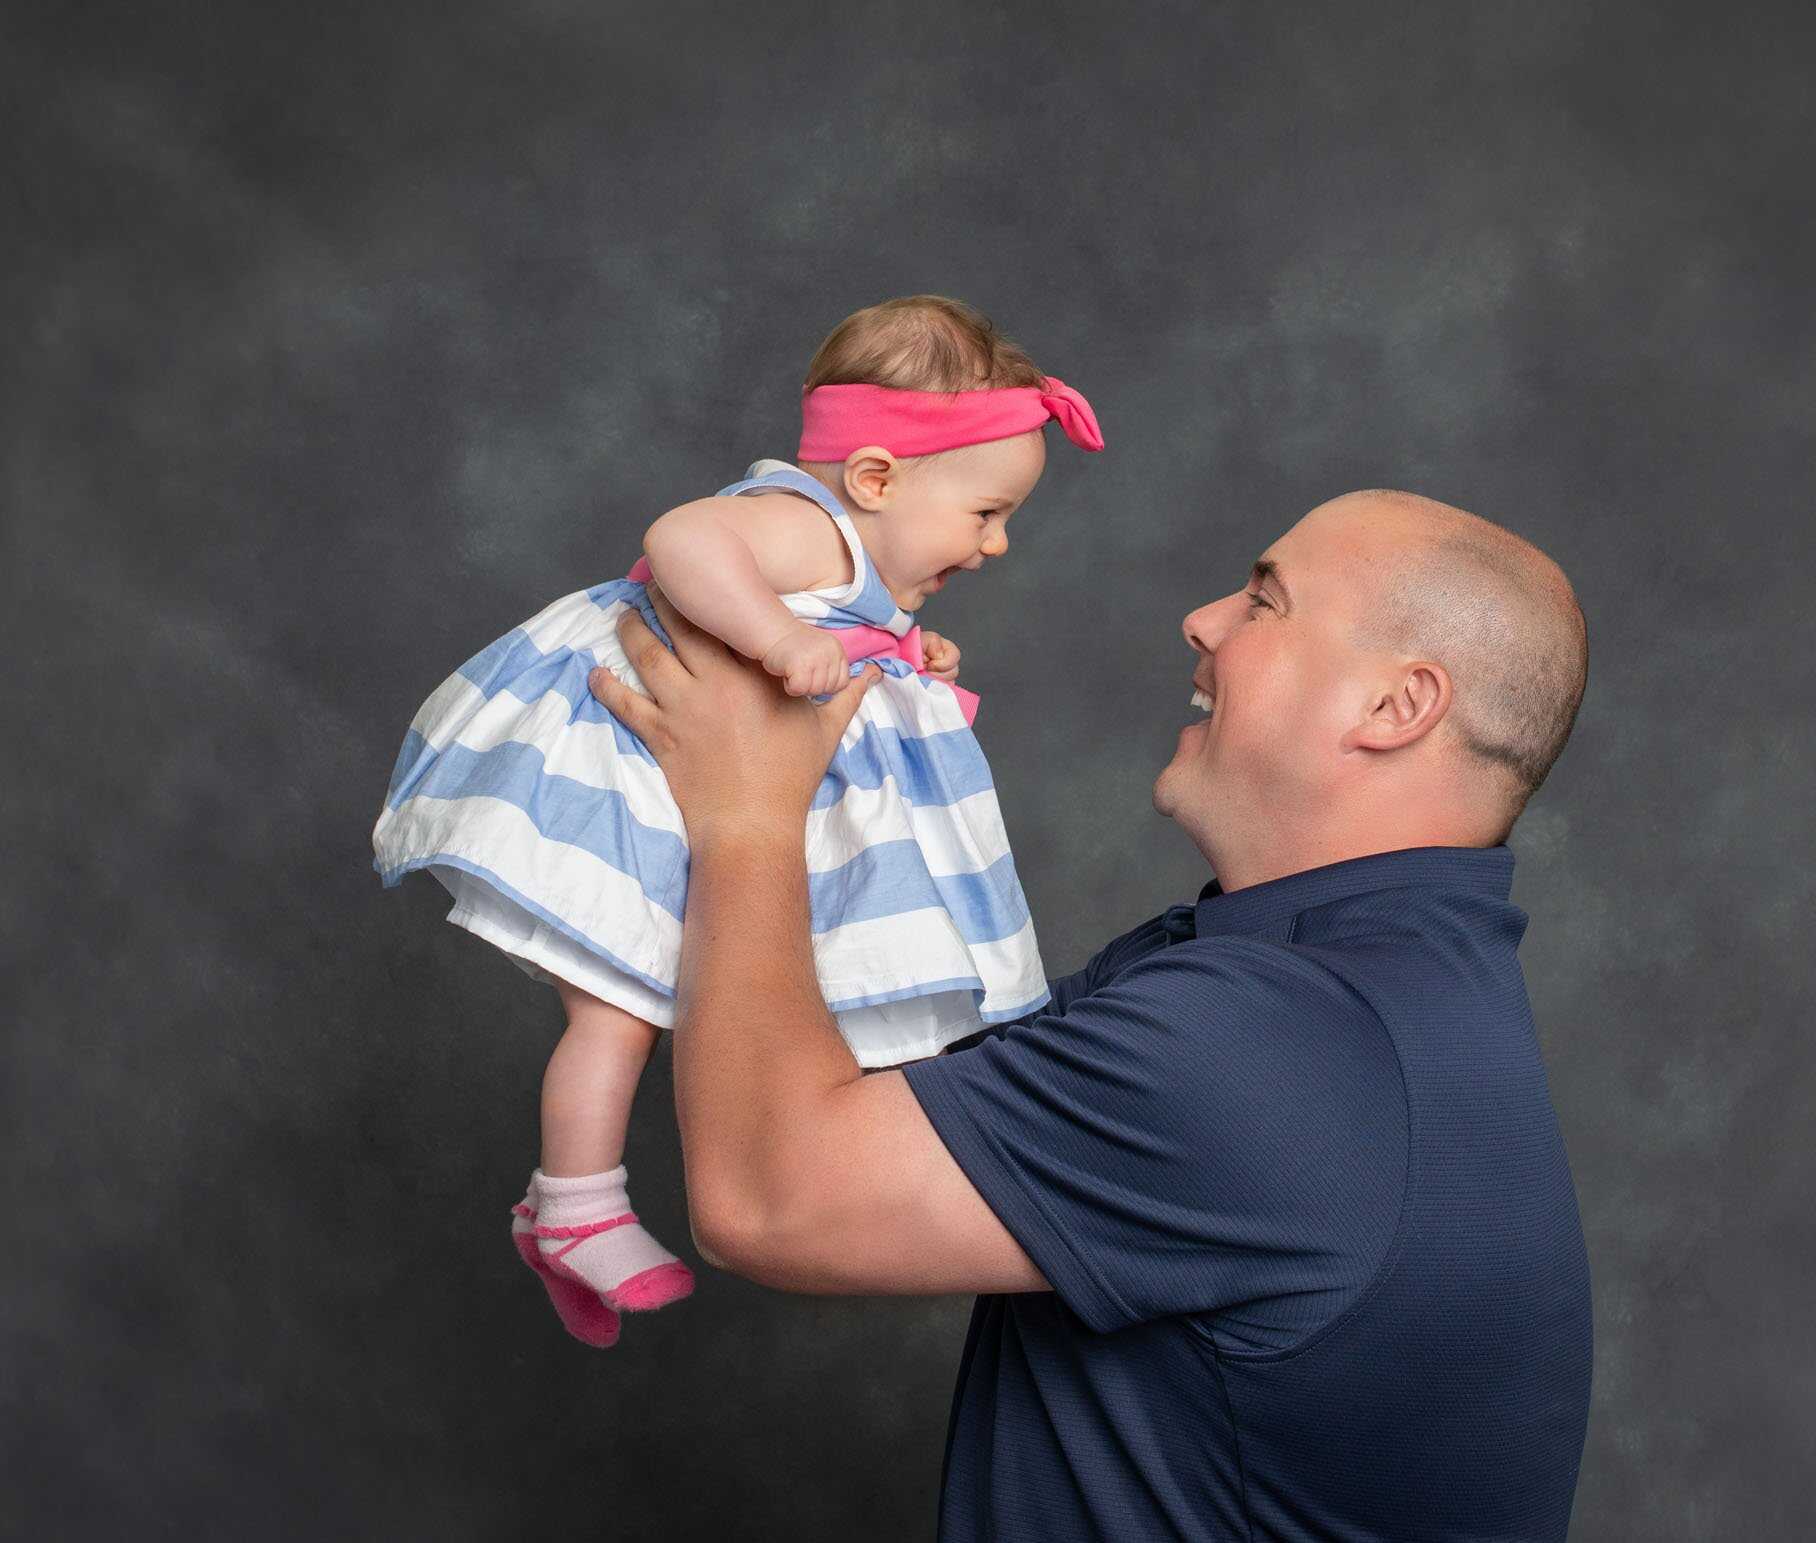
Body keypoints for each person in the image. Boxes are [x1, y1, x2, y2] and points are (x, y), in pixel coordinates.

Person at [586, 486, 1596, 1539]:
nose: (1202, 620)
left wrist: (747, 813)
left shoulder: (1275, 1037)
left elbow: (770, 1190)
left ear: (1396, 706)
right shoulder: (1346, 987)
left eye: (1264, 600)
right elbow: (867, 1080)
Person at [369, 296, 1104, 1346]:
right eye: (985, 513)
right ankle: (575, 1202)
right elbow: (682, 536)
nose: (996, 546)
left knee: (691, 1005)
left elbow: (848, 634)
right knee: (616, 1008)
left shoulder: (854, 560)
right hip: (629, 773)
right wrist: (773, 634)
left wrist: (905, 649)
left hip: (712, 793)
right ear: (877, 480)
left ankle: (572, 1207)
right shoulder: (801, 524)